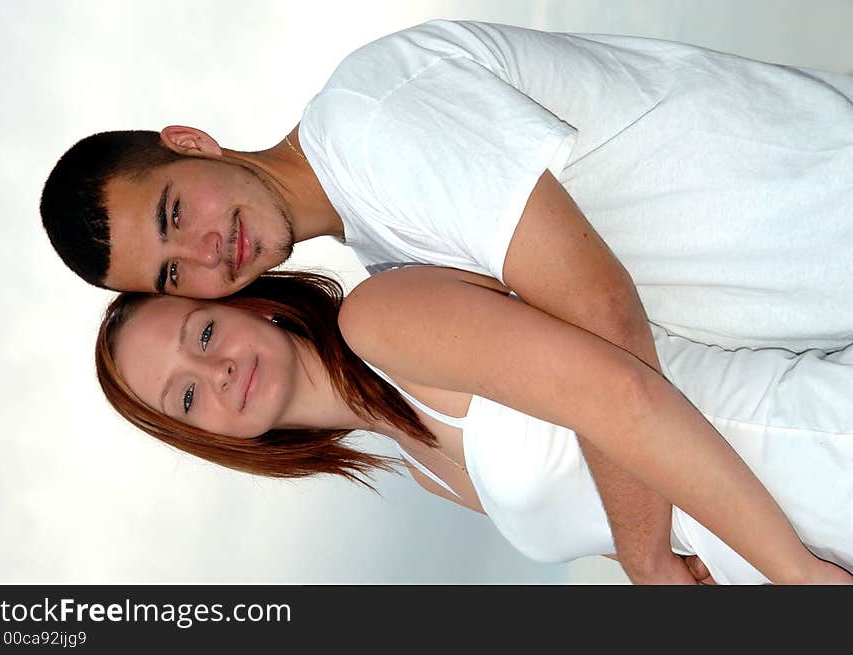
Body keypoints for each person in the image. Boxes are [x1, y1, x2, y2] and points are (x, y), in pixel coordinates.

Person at [42, 19, 853, 582]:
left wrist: (656, 564)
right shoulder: (389, 249)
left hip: (823, 210)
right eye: (174, 274)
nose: (207, 253)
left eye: (175, 213)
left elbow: (608, 331)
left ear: (188, 144)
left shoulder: (373, 127)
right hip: (803, 384)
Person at [95, 267, 853, 584]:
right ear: (212, 440)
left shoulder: (380, 320)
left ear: (247, 302)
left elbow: (623, 394)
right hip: (778, 545)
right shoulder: (419, 466)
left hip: (800, 450)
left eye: (201, 335)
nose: (217, 373)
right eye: (185, 399)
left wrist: (788, 570)